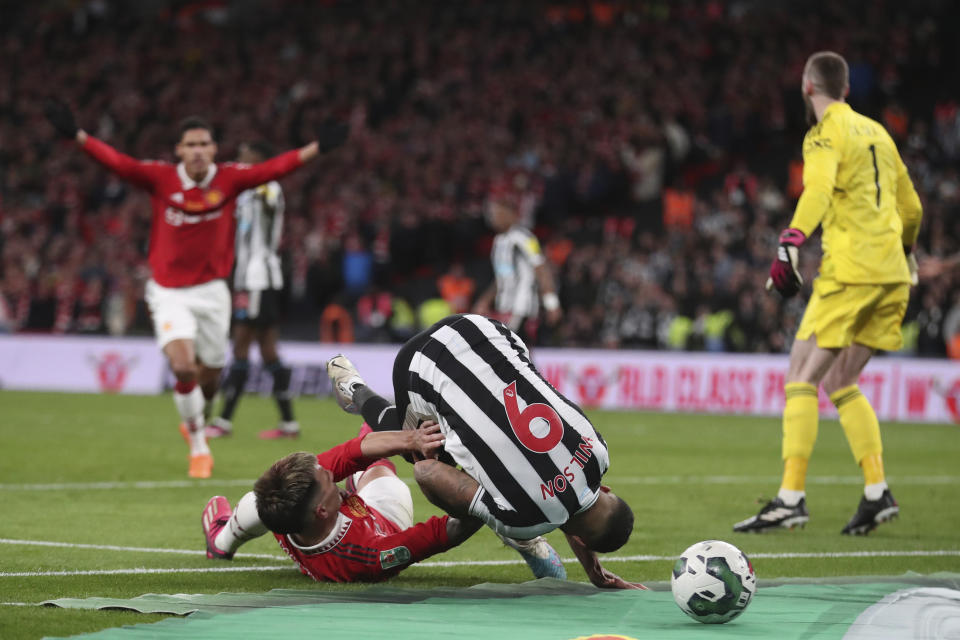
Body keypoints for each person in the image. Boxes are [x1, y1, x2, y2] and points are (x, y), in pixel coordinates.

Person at [43, 99, 348, 478]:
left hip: (213, 293)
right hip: (168, 291)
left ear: (214, 150)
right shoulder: (161, 178)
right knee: (183, 366)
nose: (198, 151)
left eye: (204, 144)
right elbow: (118, 163)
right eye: (190, 145)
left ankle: (196, 418)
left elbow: (276, 167)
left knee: (210, 376)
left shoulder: (231, 179)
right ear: (179, 151)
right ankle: (200, 446)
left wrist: (317, 147)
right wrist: (78, 136)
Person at [733, 52, 923, 535]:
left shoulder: (823, 133)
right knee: (842, 382)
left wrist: (791, 240)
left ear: (806, 86)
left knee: (800, 376)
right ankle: (877, 491)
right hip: (893, 274)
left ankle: (790, 499)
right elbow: (912, 207)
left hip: (852, 271)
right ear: (846, 89)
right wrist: (908, 253)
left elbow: (816, 189)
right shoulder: (878, 132)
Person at [327, 313, 645, 589]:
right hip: (419, 364)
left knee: (484, 438)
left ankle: (498, 504)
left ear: (606, 488)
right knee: (422, 451)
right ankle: (355, 389)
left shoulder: (598, 452)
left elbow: (578, 498)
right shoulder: (525, 516)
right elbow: (427, 473)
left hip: (483, 330)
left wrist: (589, 564)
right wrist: (498, 518)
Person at [202, 421, 565, 582]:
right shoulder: (370, 555)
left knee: (256, 501)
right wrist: (488, 498)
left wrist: (411, 439)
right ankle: (524, 540)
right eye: (327, 479)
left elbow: (351, 453)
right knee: (425, 482)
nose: (331, 473)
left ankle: (222, 540)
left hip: (314, 520)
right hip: (382, 515)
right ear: (324, 509)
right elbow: (445, 532)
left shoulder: (286, 505)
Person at [206, 141, 299, 441]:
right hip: (251, 277)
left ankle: (223, 420)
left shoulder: (266, 186)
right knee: (268, 349)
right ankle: (288, 424)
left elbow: (268, 199)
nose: (239, 161)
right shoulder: (246, 190)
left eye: (244, 155)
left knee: (242, 345)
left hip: (258, 277)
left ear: (258, 159)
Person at [472, 176, 561, 346]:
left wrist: (551, 303)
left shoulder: (525, 238)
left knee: (513, 354)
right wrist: (485, 300)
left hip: (522, 307)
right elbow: (502, 277)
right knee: (515, 358)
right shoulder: (499, 242)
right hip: (505, 307)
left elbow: (541, 268)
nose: (492, 217)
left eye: (495, 212)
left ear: (509, 213)